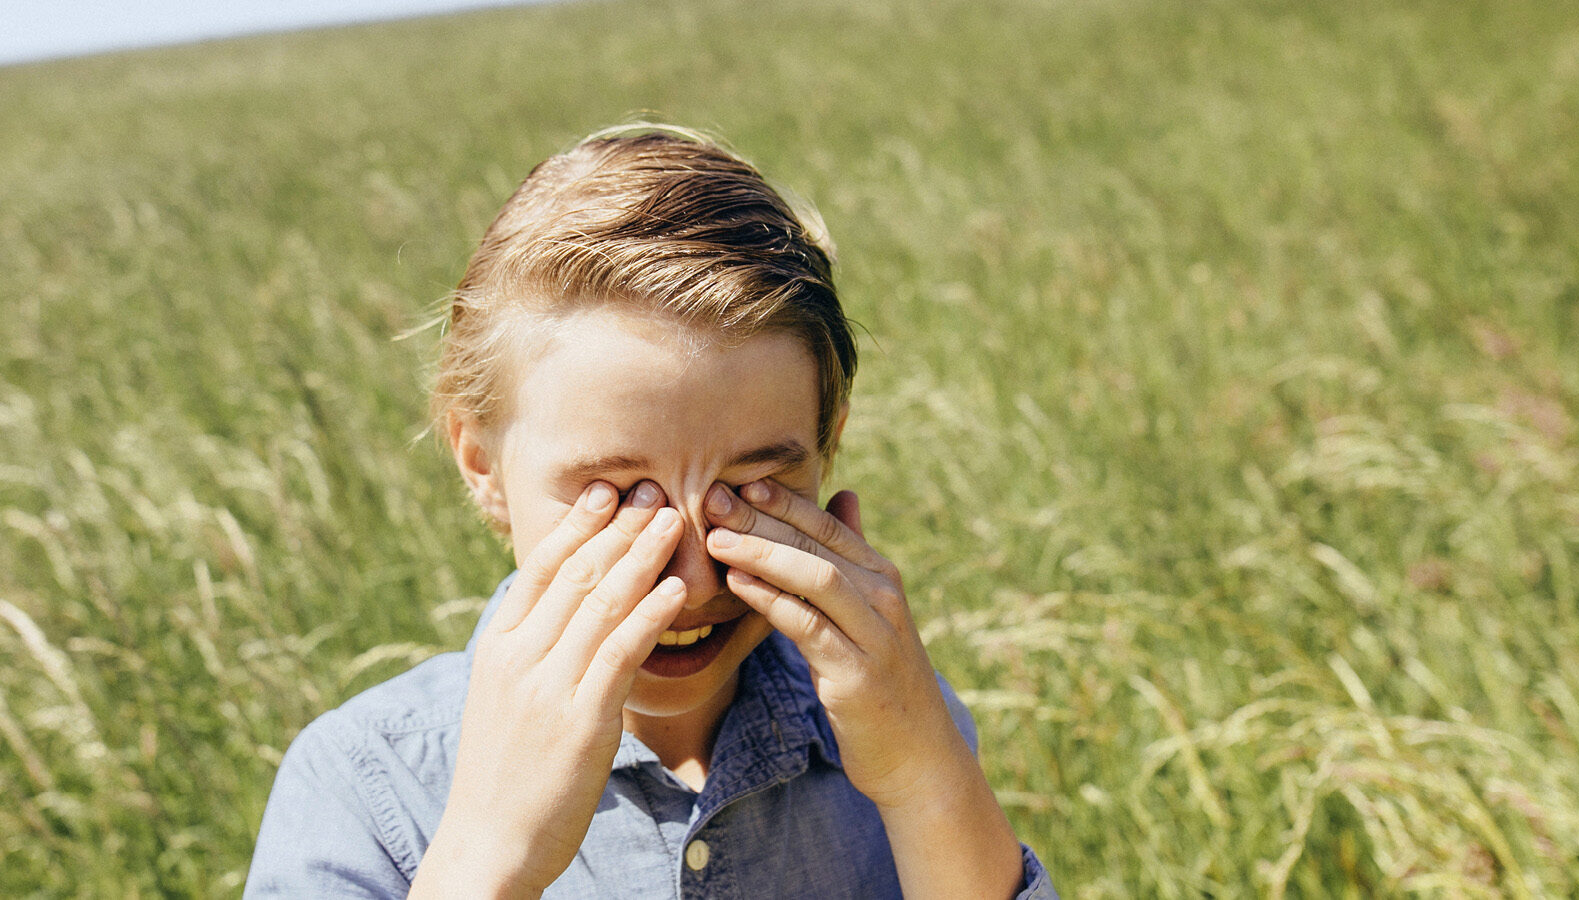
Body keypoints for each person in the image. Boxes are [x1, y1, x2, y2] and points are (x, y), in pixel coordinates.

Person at [245, 124, 1056, 898]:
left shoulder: (899, 719)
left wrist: (925, 782)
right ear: (482, 464)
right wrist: (490, 856)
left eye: (751, 487)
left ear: (827, 447)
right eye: (620, 495)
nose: (693, 579)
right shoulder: (364, 784)